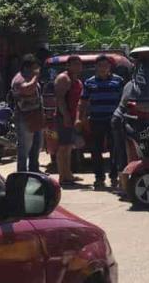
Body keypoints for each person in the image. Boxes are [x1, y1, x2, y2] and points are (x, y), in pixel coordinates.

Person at [80, 55, 125, 190]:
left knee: (115, 150)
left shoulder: (119, 81)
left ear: (109, 67)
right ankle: (99, 178)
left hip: (114, 122)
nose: (103, 68)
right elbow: (83, 102)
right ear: (96, 67)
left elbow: (124, 101)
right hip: (96, 121)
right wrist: (81, 118)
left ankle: (114, 176)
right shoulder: (89, 82)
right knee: (96, 151)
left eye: (105, 65)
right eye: (100, 65)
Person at [11, 54, 45, 173]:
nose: (37, 70)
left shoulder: (30, 77)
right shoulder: (19, 79)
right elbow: (27, 89)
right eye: (35, 67)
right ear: (27, 67)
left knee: (37, 145)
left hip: (35, 116)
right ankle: (22, 172)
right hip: (24, 118)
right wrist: (36, 77)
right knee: (24, 147)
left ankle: (34, 169)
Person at [53, 56, 84, 186]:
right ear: (68, 66)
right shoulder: (63, 78)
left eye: (79, 64)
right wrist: (65, 116)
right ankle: (62, 176)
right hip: (63, 117)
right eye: (75, 64)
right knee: (63, 147)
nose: (78, 67)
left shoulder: (77, 80)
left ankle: (68, 174)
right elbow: (60, 99)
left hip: (73, 117)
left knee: (69, 147)